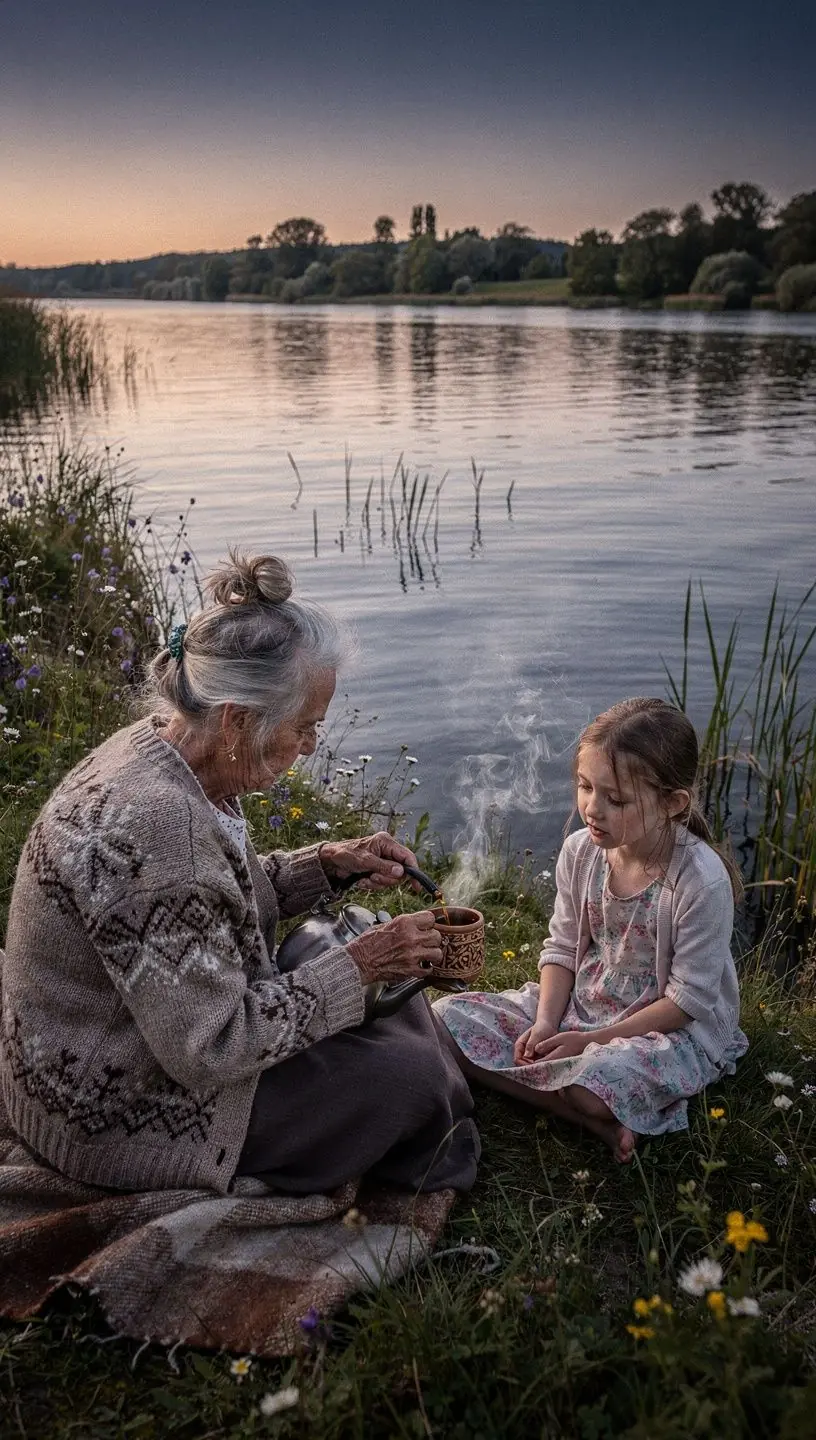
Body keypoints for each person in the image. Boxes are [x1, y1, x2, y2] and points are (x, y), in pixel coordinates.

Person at [0, 552, 478, 1197]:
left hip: (99, 1053)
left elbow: (213, 903)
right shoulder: (161, 827)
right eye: (305, 726)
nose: (310, 745)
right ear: (237, 720)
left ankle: (406, 1053)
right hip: (113, 1115)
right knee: (409, 1080)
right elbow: (211, 1048)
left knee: (349, 939)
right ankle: (423, 1105)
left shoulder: (161, 750)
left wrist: (328, 865)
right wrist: (361, 968)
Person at [435, 697, 748, 1163]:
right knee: (443, 1020)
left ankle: (586, 1107)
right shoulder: (581, 852)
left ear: (673, 803)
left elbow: (687, 1003)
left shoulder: (699, 881)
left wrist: (590, 1042)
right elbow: (561, 949)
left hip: (663, 1028)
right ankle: (589, 1120)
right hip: (583, 1004)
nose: (592, 809)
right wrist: (544, 1023)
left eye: (615, 799)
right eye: (585, 787)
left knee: (588, 1086)